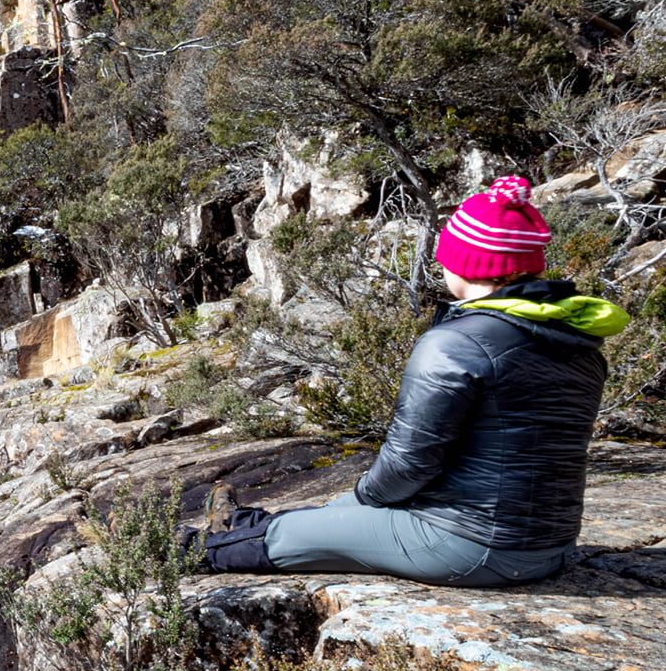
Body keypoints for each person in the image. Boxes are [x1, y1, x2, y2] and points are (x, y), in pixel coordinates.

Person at [197, 175, 628, 587]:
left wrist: (355, 502)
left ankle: (208, 543)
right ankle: (241, 520)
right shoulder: (578, 341)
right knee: (332, 517)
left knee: (288, 536)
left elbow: (408, 466)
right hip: (549, 548)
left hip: (467, 546)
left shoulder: (456, 343)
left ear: (463, 263)